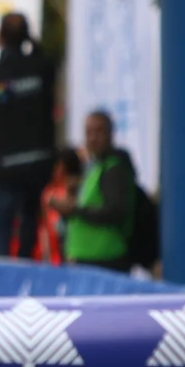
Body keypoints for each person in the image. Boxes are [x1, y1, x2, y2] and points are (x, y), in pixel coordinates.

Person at [0, 12, 56, 260]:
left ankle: (3, 278)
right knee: (29, 227)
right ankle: (25, 269)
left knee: (2, 232)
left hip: (4, 166)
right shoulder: (42, 68)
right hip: (37, 163)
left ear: (0, 37)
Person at [47, 110, 137, 272]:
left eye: (99, 132)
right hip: (88, 258)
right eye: (88, 133)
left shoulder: (113, 169)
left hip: (104, 259)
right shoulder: (95, 167)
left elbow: (114, 212)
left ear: (111, 134)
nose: (93, 138)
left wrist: (74, 210)